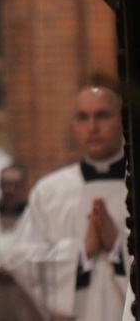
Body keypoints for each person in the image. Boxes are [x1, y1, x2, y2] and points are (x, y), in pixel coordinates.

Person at [7, 78, 129, 320]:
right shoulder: (50, 190)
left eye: (103, 116)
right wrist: (82, 251)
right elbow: (21, 261)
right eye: (83, 117)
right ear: (74, 125)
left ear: (123, 120)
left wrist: (117, 246)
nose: (92, 127)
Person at [0, 164, 43, 321]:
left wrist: (17, 269)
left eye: (16, 185)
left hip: (25, 293)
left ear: (24, 187)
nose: (10, 189)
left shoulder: (35, 216)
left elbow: (40, 250)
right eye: (6, 184)